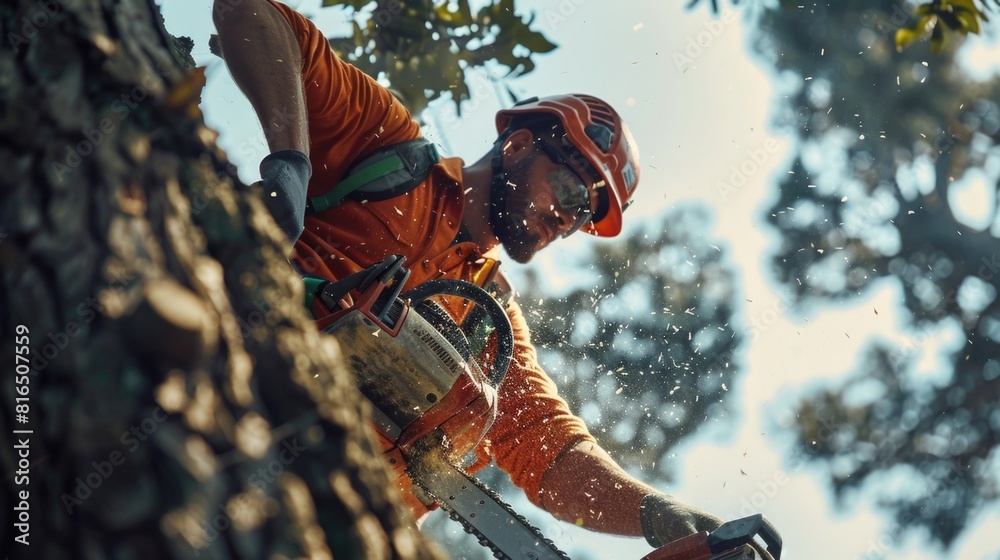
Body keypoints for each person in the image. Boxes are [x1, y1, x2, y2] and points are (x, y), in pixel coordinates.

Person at [212, 0, 730, 551]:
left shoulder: (492, 325)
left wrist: (656, 511)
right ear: (522, 142)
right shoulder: (391, 155)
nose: (567, 219)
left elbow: (551, 455)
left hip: (317, 526)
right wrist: (291, 164)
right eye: (573, 191)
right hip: (226, 391)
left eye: (583, 217)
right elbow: (251, 13)